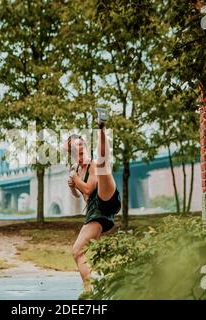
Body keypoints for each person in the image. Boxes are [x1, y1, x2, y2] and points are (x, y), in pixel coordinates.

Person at [64, 109, 121, 292]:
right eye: (76, 154)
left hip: (106, 197)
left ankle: (101, 127)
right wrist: (72, 186)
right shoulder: (78, 169)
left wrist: (76, 178)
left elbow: (88, 188)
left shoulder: (92, 165)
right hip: (96, 212)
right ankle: (91, 289)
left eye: (82, 151)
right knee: (78, 251)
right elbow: (79, 194)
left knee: (103, 164)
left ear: (87, 148)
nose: (81, 157)